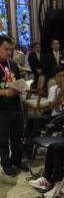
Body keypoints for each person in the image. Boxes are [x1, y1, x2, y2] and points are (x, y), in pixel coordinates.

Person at [0, 35, 29, 178]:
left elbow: (17, 81)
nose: (9, 52)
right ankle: (6, 164)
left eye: (11, 50)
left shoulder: (13, 64)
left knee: (17, 137)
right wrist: (6, 92)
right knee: (3, 140)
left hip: (16, 107)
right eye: (6, 49)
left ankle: (17, 161)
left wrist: (20, 87)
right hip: (2, 110)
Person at [23, 66, 64, 147]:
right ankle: (25, 140)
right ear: (55, 77)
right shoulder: (53, 89)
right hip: (53, 113)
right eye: (59, 76)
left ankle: (32, 144)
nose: (61, 78)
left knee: (37, 120)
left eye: (63, 76)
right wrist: (59, 94)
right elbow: (50, 107)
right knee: (32, 118)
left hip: (63, 116)